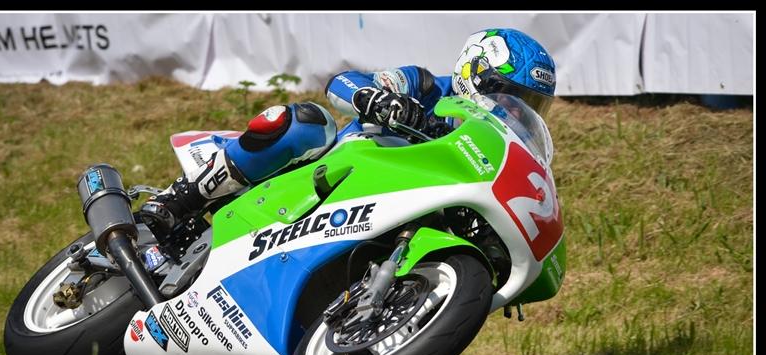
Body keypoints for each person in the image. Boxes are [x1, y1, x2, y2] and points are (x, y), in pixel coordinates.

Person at [140, 28, 556, 240]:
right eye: (510, 95)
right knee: (304, 123)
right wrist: (379, 100)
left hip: (389, 212)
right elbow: (342, 81)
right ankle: (177, 202)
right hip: (334, 173)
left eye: (529, 105)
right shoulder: (426, 86)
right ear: (474, 72)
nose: (514, 109)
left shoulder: (489, 146)